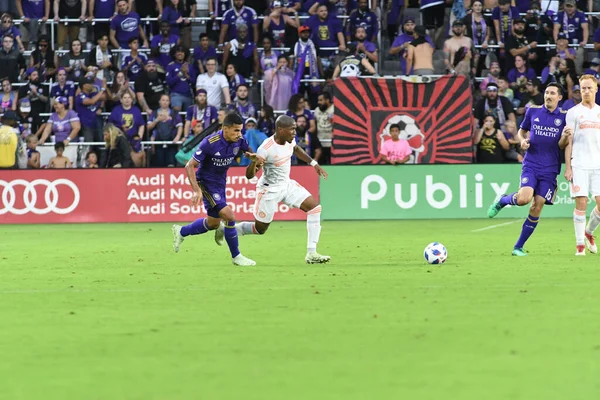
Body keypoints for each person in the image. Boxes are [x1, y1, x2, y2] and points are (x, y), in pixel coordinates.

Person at [215, 115, 331, 264]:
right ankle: (226, 230)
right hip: (269, 190)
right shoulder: (265, 148)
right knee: (260, 229)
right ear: (281, 130)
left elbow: (295, 149)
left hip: (287, 185)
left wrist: (314, 163)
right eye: (292, 129)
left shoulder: (289, 141)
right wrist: (253, 162)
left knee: (314, 209)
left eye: (295, 129)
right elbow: (249, 176)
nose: (295, 132)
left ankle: (311, 253)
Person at [487, 83, 570, 256]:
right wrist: (522, 140)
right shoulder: (533, 111)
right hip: (531, 164)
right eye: (547, 92)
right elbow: (521, 131)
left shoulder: (564, 117)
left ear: (559, 97)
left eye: (553, 93)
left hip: (550, 169)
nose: (548, 96)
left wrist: (564, 137)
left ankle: (518, 247)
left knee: (536, 207)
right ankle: (503, 200)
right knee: (524, 198)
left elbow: (562, 145)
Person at [172, 112, 260, 266]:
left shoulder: (240, 140)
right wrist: (196, 191)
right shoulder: (210, 142)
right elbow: (189, 165)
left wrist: (254, 160)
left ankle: (181, 232)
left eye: (240, 130)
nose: (239, 134)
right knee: (229, 216)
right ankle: (236, 256)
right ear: (225, 129)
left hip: (220, 183)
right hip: (205, 182)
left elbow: (252, 154)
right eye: (236, 130)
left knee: (212, 223)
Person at [564, 75, 600, 256]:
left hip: (598, 165)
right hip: (579, 164)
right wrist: (568, 167)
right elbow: (568, 142)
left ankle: (589, 232)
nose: (585, 91)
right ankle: (579, 246)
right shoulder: (573, 113)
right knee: (582, 202)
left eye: (589, 88)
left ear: (596, 89)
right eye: (582, 88)